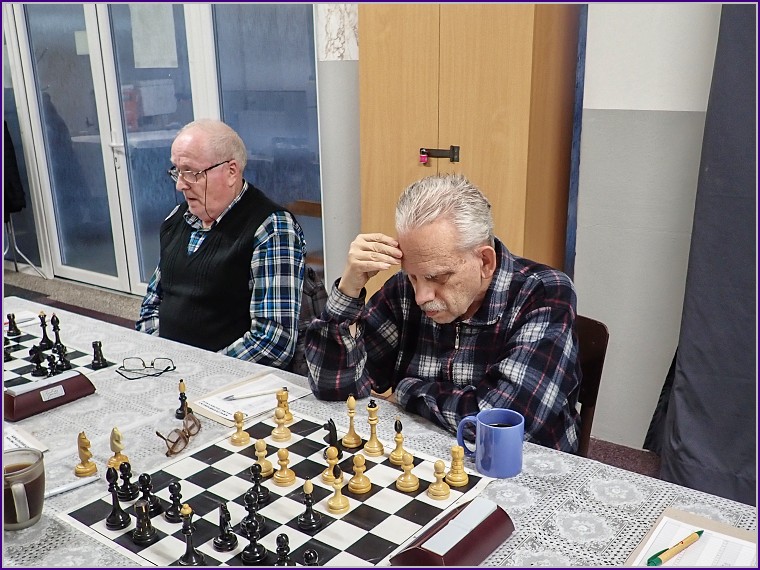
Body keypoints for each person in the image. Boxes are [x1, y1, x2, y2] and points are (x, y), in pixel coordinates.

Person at [305, 173, 581, 452]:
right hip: (425, 455)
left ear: (485, 262)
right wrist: (349, 290)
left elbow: (500, 422)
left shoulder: (544, 292)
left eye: (438, 277)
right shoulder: (404, 289)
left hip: (522, 466)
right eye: (413, 276)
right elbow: (333, 385)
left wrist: (407, 390)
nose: (421, 297)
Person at [136, 119, 306, 370]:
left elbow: (273, 342)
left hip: (229, 381)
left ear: (231, 172)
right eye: (177, 171)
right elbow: (151, 306)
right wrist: (160, 359)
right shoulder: (176, 219)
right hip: (170, 369)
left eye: (191, 172)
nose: (180, 184)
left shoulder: (271, 227)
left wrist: (202, 369)